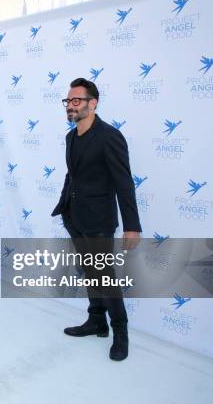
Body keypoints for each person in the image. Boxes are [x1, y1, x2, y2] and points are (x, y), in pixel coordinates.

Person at [52, 78, 142, 361]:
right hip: (75, 217)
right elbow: (73, 175)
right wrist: (65, 205)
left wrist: (131, 226)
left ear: (93, 103)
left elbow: (124, 183)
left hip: (100, 221)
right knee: (90, 273)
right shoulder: (70, 137)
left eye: (76, 100)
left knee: (105, 277)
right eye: (68, 101)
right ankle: (96, 321)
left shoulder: (109, 137)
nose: (70, 105)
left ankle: (121, 333)